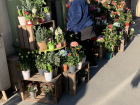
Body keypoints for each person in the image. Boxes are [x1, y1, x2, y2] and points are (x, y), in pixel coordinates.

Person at [66, 0, 98, 68]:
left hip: (83, 27)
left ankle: (88, 64)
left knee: (81, 47)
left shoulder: (75, 1)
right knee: (85, 46)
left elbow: (77, 16)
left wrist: (68, 26)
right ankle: (91, 63)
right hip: (86, 26)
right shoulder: (80, 1)